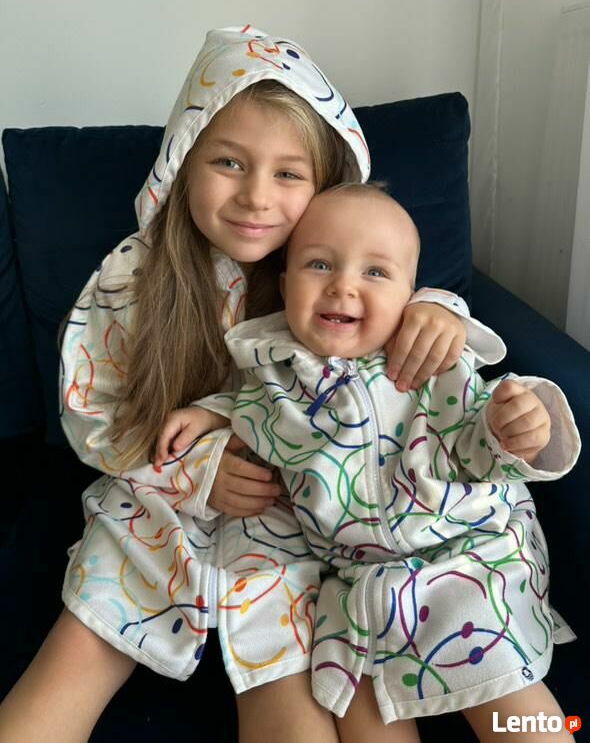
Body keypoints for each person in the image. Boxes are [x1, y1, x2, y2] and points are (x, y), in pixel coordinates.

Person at [0, 27, 505, 743]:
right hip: (155, 504)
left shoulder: (332, 278)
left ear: (326, 186)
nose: (256, 196)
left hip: (294, 524)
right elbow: (92, 410)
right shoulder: (133, 276)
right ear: (183, 162)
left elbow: (398, 312)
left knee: (289, 698)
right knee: (70, 665)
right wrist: (196, 472)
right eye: (229, 162)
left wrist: (440, 308)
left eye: (289, 174)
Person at [157, 185, 581, 742]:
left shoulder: (431, 364)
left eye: (375, 272)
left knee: (513, 703)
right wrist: (210, 416)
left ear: (412, 296)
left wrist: (516, 429)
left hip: (467, 559)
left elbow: (480, 444)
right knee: (358, 702)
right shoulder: (271, 381)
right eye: (318, 264)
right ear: (284, 287)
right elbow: (249, 416)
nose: (342, 285)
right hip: (360, 587)